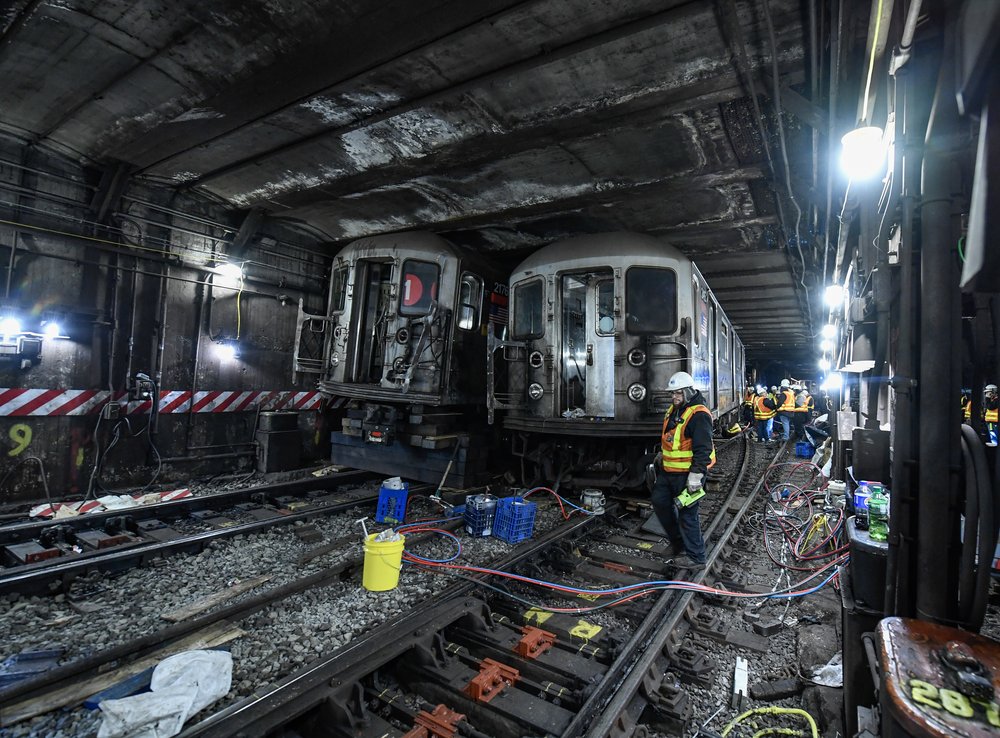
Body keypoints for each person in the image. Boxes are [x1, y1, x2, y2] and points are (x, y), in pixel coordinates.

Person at [651, 371, 715, 570]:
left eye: (678, 393)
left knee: (688, 514)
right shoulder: (674, 410)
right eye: (672, 394)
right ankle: (679, 543)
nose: (674, 397)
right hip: (669, 472)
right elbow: (672, 438)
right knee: (660, 503)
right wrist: (662, 455)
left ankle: (696, 557)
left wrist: (696, 475)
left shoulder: (699, 415)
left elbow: (703, 449)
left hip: (689, 475)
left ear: (688, 392)